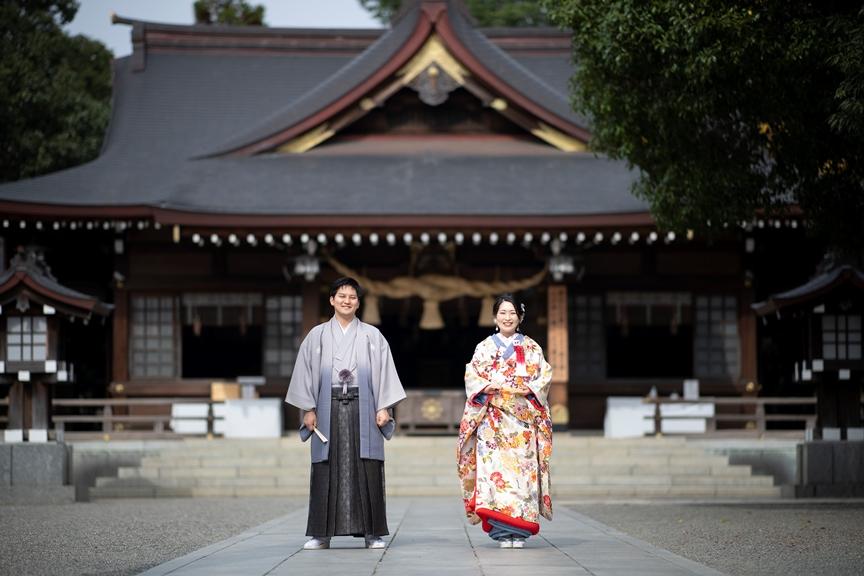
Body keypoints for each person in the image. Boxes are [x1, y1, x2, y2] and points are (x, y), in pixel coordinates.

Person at [286, 277, 406, 550]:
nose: (347, 300)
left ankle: (372, 533)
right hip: (326, 407)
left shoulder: (372, 336)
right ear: (332, 300)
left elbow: (385, 372)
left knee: (368, 466)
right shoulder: (316, 336)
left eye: (352, 296)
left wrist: (383, 406)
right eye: (341, 295)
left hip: (363, 404)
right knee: (325, 467)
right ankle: (320, 534)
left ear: (358, 302)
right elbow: (305, 374)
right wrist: (309, 408)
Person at [457, 293, 553, 548]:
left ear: (520, 317)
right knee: (495, 476)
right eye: (502, 313)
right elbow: (473, 377)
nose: (507, 318)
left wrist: (525, 389)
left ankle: (519, 532)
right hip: (493, 422)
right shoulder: (484, 347)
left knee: (522, 476)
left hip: (522, 423)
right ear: (494, 317)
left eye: (512, 313)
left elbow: (543, 377)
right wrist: (490, 386)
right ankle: (501, 532)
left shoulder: (532, 347)